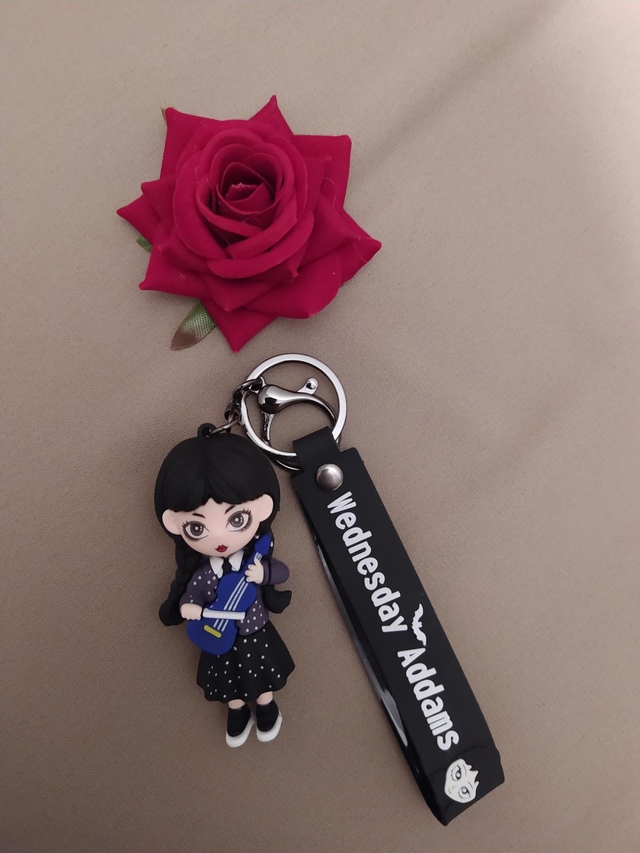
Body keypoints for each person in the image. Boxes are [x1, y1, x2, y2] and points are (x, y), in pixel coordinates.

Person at [154, 424, 294, 746]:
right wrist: (189, 606)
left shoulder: (253, 563)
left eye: (236, 519)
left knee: (262, 676)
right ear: (174, 523)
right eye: (197, 527)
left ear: (263, 507)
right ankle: (237, 711)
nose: (219, 537)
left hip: (255, 632)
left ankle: (266, 706)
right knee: (229, 683)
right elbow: (192, 595)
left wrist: (264, 574)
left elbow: (281, 572)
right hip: (219, 638)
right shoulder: (206, 574)